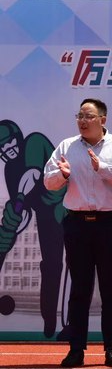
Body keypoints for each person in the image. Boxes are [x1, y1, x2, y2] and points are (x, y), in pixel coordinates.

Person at [43, 98, 112, 368]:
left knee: (111, 289)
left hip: (110, 224)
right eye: (80, 116)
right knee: (79, 289)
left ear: (102, 120)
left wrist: (102, 168)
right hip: (77, 224)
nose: (83, 121)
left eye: (89, 116)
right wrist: (62, 175)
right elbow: (48, 181)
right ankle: (76, 349)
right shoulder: (67, 146)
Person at [0, 120, 66, 337]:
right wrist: (11, 227)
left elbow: (33, 174)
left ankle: (72, 321)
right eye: (1, 147)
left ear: (17, 138)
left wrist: (19, 199)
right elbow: (24, 213)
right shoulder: (10, 170)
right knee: (51, 265)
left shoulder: (34, 142)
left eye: (9, 143)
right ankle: (49, 319)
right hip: (46, 216)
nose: (7, 149)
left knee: (77, 263)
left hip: (67, 205)